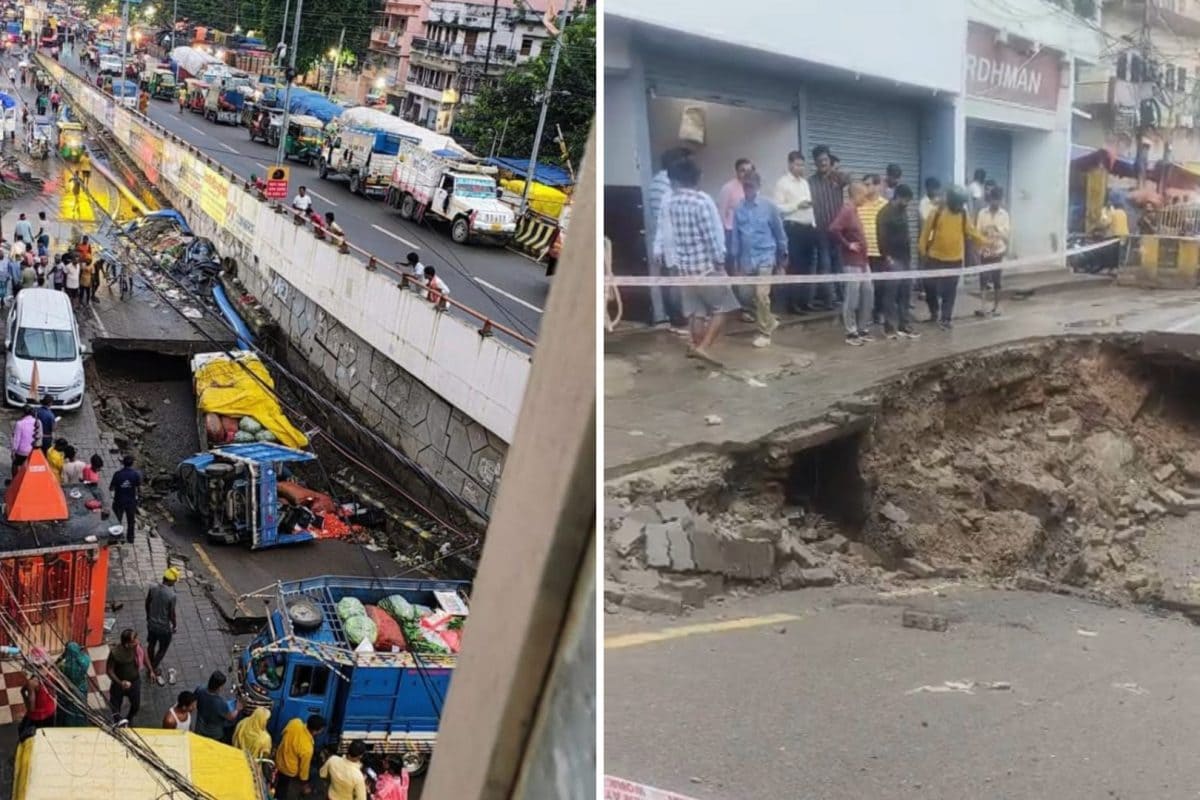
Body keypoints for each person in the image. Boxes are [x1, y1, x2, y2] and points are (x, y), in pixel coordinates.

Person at [653, 157, 740, 366]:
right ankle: (703, 347)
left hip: (685, 270)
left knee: (696, 313)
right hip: (706, 268)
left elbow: (669, 234)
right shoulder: (701, 201)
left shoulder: (670, 202)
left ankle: (696, 349)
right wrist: (720, 263)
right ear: (697, 177)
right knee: (725, 308)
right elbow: (710, 236)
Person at [730, 170, 787, 348]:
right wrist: (735, 260)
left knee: (762, 294)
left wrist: (783, 258)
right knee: (745, 295)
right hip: (747, 259)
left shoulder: (769, 206)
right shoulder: (739, 208)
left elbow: (779, 233)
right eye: (745, 186)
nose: (748, 189)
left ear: (758, 186)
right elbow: (736, 237)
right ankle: (769, 320)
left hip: (765, 256)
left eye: (751, 186)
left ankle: (764, 332)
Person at [918, 185, 987, 330]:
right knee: (930, 287)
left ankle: (946, 318)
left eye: (961, 203)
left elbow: (972, 232)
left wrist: (985, 243)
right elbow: (925, 233)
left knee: (950, 291)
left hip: (954, 260)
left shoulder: (963, 214)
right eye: (957, 203)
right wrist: (922, 251)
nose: (959, 206)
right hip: (934, 258)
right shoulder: (937, 212)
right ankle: (934, 312)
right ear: (950, 201)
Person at [829, 181, 874, 346]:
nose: (866, 196)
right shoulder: (847, 210)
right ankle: (851, 331)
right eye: (863, 193)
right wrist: (848, 244)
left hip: (863, 261)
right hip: (852, 261)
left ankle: (862, 328)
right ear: (855, 195)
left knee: (868, 292)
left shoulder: (855, 210)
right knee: (852, 296)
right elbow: (834, 229)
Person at [774, 151, 818, 313]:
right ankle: (793, 304)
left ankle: (804, 301)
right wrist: (797, 206)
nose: (801, 168)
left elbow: (809, 206)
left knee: (807, 267)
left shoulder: (805, 183)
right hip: (793, 228)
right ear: (790, 164)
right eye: (798, 164)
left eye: (802, 164)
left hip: (808, 228)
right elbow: (778, 208)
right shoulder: (783, 183)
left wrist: (813, 224)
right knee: (795, 267)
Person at [876, 184, 920, 340]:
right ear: (898, 196)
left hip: (905, 258)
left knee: (905, 292)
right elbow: (881, 237)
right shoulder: (884, 213)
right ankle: (889, 327)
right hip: (892, 259)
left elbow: (906, 234)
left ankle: (904, 325)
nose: (907, 203)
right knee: (891, 293)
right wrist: (887, 257)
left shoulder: (903, 211)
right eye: (905, 200)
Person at [809, 145, 847, 307]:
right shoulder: (810, 182)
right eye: (819, 161)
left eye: (825, 160)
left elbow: (853, 184)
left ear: (829, 161)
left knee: (840, 265)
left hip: (838, 231)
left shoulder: (838, 178)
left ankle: (843, 298)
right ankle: (829, 300)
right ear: (815, 163)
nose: (823, 163)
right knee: (825, 265)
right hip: (821, 231)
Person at [975, 185, 1010, 318]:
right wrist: (983, 235)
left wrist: (997, 229)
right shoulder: (982, 213)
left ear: (1001, 200)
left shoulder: (1004, 215)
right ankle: (983, 307)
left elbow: (1007, 234)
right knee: (983, 279)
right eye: (993, 199)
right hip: (985, 251)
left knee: (997, 280)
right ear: (990, 200)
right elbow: (977, 232)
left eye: (998, 200)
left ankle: (997, 306)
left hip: (998, 251)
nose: (995, 202)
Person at [857, 174, 887, 325]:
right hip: (863, 253)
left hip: (879, 252)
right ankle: (865, 315)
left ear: (877, 186)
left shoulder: (885, 205)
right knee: (865, 287)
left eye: (868, 185)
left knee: (880, 285)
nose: (865, 188)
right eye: (864, 185)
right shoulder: (859, 204)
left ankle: (879, 313)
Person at [275, 714, 327, 800]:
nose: (321, 732)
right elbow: (304, 769)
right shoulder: (307, 748)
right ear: (315, 731)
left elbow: (283, 733)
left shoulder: (295, 722)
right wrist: (304, 783)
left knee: (281, 784)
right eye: (321, 730)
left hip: (279, 758)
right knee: (283, 788)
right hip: (288, 769)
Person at [717, 158, 754, 276]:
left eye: (749, 170)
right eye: (742, 170)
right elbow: (721, 212)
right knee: (732, 264)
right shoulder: (728, 188)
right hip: (731, 231)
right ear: (737, 172)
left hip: (747, 231)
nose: (746, 173)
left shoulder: (753, 187)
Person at [107, 628, 150, 724]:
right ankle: (118, 722)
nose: (137, 642)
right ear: (127, 644)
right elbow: (109, 670)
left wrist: (150, 670)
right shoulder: (115, 653)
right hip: (119, 684)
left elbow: (144, 656)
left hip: (135, 681)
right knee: (115, 705)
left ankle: (129, 719)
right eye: (134, 641)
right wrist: (120, 682)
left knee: (136, 705)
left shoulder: (137, 648)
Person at [146, 567, 179, 679]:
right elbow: (171, 614)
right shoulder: (172, 596)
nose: (175, 583)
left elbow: (147, 604)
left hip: (151, 624)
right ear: (170, 581)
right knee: (162, 649)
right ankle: (152, 668)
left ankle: (150, 663)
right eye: (174, 581)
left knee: (151, 644)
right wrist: (174, 625)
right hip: (163, 628)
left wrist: (148, 617)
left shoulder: (153, 588)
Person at [193, 670, 243, 741]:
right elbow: (231, 717)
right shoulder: (220, 703)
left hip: (199, 728)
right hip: (214, 733)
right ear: (219, 687)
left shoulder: (200, 689)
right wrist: (237, 709)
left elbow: (193, 701)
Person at [54, 641, 91, 727]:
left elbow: (55, 666)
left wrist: (63, 656)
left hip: (67, 690)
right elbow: (83, 654)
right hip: (81, 689)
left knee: (67, 710)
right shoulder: (86, 661)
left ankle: (66, 725)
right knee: (80, 707)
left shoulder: (63, 666)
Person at [110, 455, 142, 544]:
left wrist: (119, 486)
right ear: (132, 464)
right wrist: (139, 498)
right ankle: (130, 538)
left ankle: (116, 538)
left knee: (117, 520)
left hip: (119, 501)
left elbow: (111, 488)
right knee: (131, 521)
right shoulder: (135, 475)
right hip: (131, 502)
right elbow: (139, 488)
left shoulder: (117, 474)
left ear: (123, 463)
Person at [18, 670, 56, 740]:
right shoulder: (52, 673)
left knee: (24, 733)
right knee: (48, 737)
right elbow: (53, 694)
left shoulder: (32, 683)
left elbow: (31, 708)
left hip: (37, 718)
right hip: (51, 713)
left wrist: (23, 693)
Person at [11, 406, 40, 475]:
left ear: (23, 413)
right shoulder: (37, 422)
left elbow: (16, 439)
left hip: (21, 451)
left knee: (15, 464)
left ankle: (14, 481)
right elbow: (39, 435)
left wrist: (13, 451)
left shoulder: (19, 423)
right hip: (33, 450)